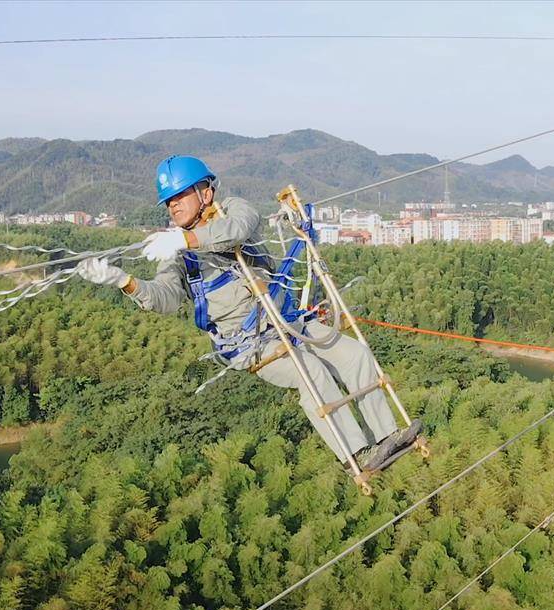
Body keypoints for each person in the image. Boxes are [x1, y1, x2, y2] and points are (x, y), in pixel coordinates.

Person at [76, 155, 420, 471]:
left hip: (286, 319)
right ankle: (356, 456)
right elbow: (164, 298)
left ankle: (385, 436)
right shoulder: (179, 255)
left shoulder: (231, 211)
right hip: (251, 342)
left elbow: (238, 230)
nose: (173, 205)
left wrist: (188, 240)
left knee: (355, 354)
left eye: (180, 195)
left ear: (206, 192)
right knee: (310, 371)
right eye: (169, 200)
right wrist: (124, 281)